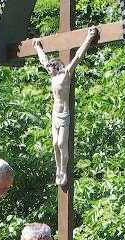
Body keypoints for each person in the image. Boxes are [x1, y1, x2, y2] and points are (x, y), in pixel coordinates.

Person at [33, 27, 98, 187]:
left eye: (50, 68)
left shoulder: (66, 74)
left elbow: (78, 55)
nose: (48, 70)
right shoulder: (53, 77)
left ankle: (64, 171)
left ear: (56, 67)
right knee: (55, 144)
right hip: (54, 114)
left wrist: (89, 37)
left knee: (62, 143)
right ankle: (58, 170)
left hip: (64, 114)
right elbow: (43, 60)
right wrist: (37, 47)